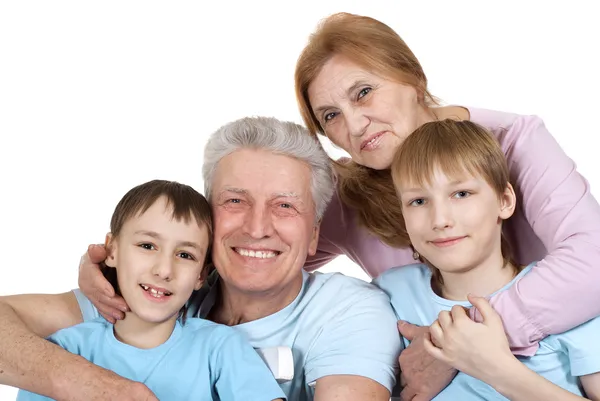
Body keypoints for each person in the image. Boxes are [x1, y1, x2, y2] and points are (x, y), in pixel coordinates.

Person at [290, 11, 600, 400]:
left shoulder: (514, 143)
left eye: (364, 92)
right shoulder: (349, 198)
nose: (354, 126)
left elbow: (594, 261)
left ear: (414, 79)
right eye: (331, 116)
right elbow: (266, 264)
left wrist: (454, 343)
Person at [0, 117, 402, 401]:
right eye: (234, 200)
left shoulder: (349, 312)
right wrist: (100, 388)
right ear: (207, 218)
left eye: (284, 205)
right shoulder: (155, 291)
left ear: (314, 233)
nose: (257, 226)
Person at [373, 119, 600, 400]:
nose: (440, 220)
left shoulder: (567, 301)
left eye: (461, 194)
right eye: (418, 201)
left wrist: (498, 370)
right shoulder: (389, 295)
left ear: (504, 201)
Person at [14, 179, 286, 401]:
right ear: (112, 250)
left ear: (201, 274)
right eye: (147, 246)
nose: (164, 270)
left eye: (185, 255)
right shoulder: (64, 350)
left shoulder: (221, 348)